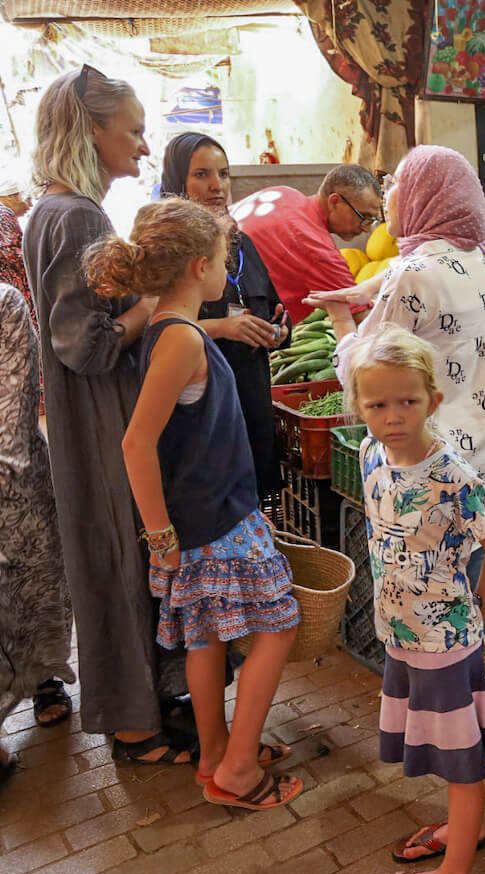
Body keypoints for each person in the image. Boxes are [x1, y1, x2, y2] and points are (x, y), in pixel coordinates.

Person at [87, 197, 303, 809]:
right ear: (195, 269)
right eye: (221, 261)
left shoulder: (167, 326)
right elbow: (137, 444)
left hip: (202, 516)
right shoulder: (180, 339)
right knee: (279, 627)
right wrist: (161, 536)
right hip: (214, 517)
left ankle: (215, 753)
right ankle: (236, 770)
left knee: (206, 638)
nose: (225, 271)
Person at [23, 65, 191, 763]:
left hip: (83, 422)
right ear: (92, 130)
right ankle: (131, 724)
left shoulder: (49, 212)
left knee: (110, 559)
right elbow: (84, 346)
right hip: (98, 421)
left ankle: (138, 706)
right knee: (123, 561)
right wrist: (152, 308)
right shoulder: (77, 216)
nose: (145, 148)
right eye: (134, 131)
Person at [315, 145, 485, 649]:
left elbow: (365, 370)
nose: (392, 197)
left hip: (437, 467)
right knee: (483, 587)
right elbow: (404, 281)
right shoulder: (480, 255)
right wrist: (367, 293)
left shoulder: (415, 270)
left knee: (449, 590)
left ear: (427, 196)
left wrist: (342, 321)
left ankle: (461, 693)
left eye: (400, 186)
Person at [343, 323, 485, 874]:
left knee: (463, 762)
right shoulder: (369, 453)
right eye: (377, 403)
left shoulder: (454, 478)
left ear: (433, 401)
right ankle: (467, 831)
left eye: (408, 401)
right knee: (445, 749)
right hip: (400, 631)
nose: (393, 415)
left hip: (445, 642)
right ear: (358, 405)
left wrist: (481, 606)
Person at [161, 133, 290, 497]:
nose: (217, 186)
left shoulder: (241, 242)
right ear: (177, 181)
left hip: (250, 393)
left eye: (224, 173)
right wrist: (223, 327)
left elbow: (276, 307)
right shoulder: (165, 251)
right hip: (202, 405)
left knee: (254, 499)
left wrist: (278, 330)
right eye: (201, 174)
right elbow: (154, 331)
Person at [0, 282, 77, 776]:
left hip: (14, 477)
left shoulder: (5, 303)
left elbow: (14, 401)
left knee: (37, 584)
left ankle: (46, 679)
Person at [233, 163, 382, 327]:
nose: (366, 229)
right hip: (235, 323)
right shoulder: (315, 247)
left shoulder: (285, 193)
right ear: (335, 201)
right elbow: (365, 321)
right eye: (364, 217)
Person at [0, 173, 32, 327]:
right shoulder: (4, 213)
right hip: (14, 288)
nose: (30, 205)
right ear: (13, 196)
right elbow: (13, 254)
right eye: (27, 199)